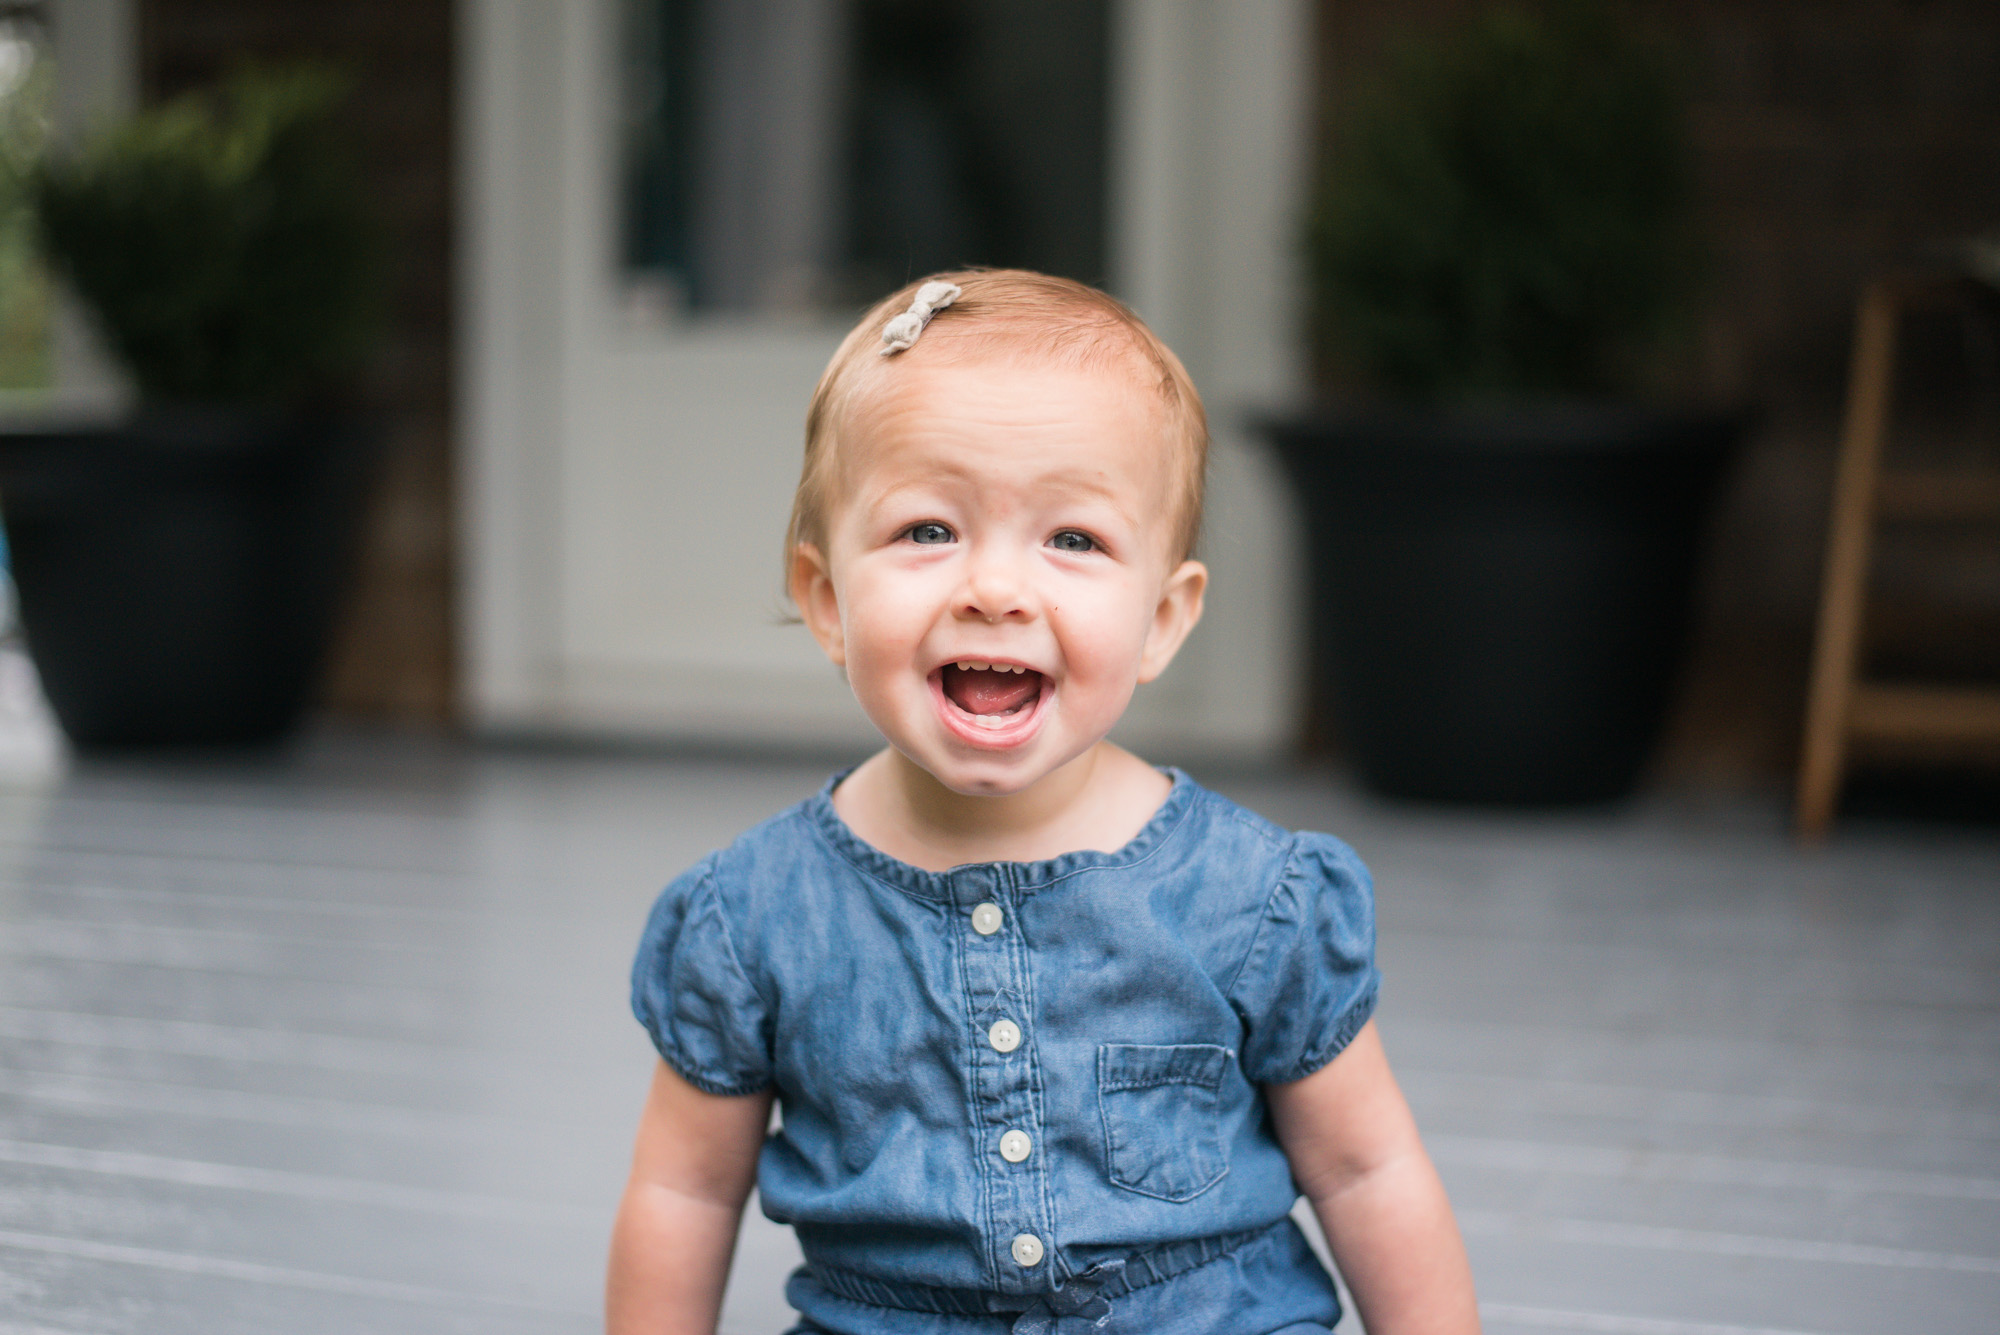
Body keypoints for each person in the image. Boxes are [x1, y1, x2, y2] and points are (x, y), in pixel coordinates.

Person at [606, 270, 1480, 1335]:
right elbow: (682, 1191)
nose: (995, 588)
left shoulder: (1257, 899)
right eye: (928, 530)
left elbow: (1365, 1169)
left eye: (1072, 540)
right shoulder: (751, 918)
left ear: (1161, 619)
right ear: (826, 601)